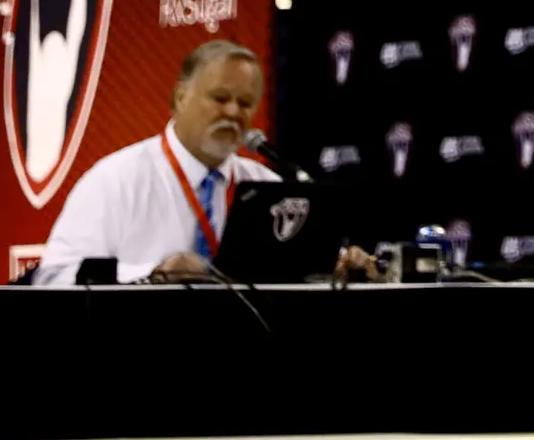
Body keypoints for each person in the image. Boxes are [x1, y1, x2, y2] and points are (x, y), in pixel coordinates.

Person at [33, 39, 375, 285]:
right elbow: (52, 279)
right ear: (181, 98)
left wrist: (336, 267)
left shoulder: (269, 188)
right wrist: (152, 272)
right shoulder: (115, 181)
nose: (232, 113)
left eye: (245, 103)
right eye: (220, 98)